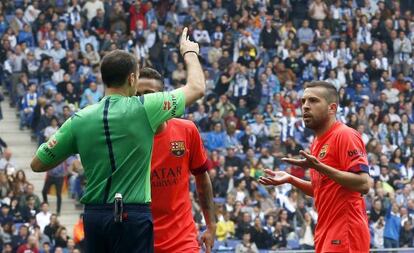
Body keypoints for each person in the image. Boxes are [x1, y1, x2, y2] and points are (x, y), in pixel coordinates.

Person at [30, 27, 205, 253]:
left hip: (94, 216)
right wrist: (189, 52)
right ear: (133, 78)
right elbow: (197, 88)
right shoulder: (144, 108)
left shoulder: (79, 119)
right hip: (131, 215)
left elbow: (38, 163)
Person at [259, 81, 371, 252]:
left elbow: (364, 183)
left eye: (313, 101)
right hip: (325, 231)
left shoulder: (345, 135)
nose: (305, 106)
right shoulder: (317, 143)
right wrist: (291, 179)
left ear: (332, 108)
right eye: (303, 101)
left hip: (345, 231)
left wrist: (320, 167)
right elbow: (321, 189)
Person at [136, 67, 216, 253]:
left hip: (182, 241)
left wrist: (211, 225)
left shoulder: (186, 130)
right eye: (137, 95)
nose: (142, 101)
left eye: (149, 94)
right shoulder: (123, 139)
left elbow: (202, 178)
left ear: (164, 98)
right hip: (139, 241)